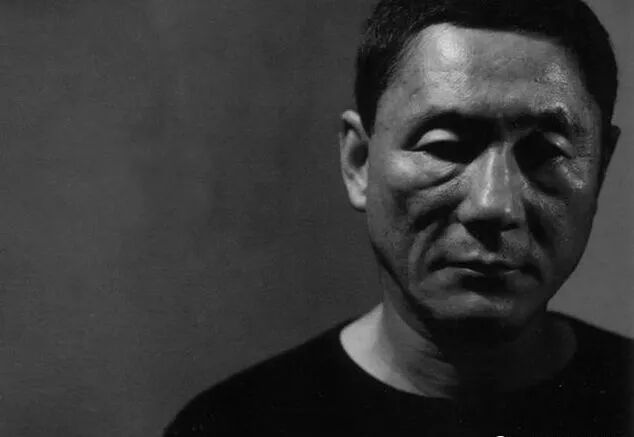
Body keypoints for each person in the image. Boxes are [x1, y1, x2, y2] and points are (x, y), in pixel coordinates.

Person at [165, 0, 632, 435]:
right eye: (446, 147)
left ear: (600, 169)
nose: (494, 204)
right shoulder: (233, 425)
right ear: (359, 161)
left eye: (545, 153)